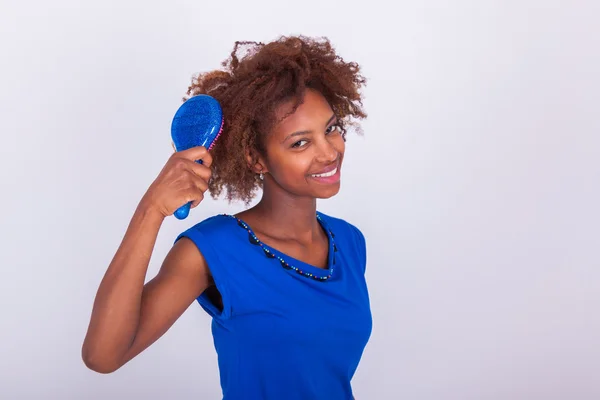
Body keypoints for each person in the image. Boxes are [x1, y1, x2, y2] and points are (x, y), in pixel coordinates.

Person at [82, 35, 372, 400]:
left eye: (330, 129)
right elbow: (102, 355)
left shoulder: (349, 243)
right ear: (255, 158)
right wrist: (151, 209)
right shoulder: (214, 249)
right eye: (300, 142)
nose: (329, 152)